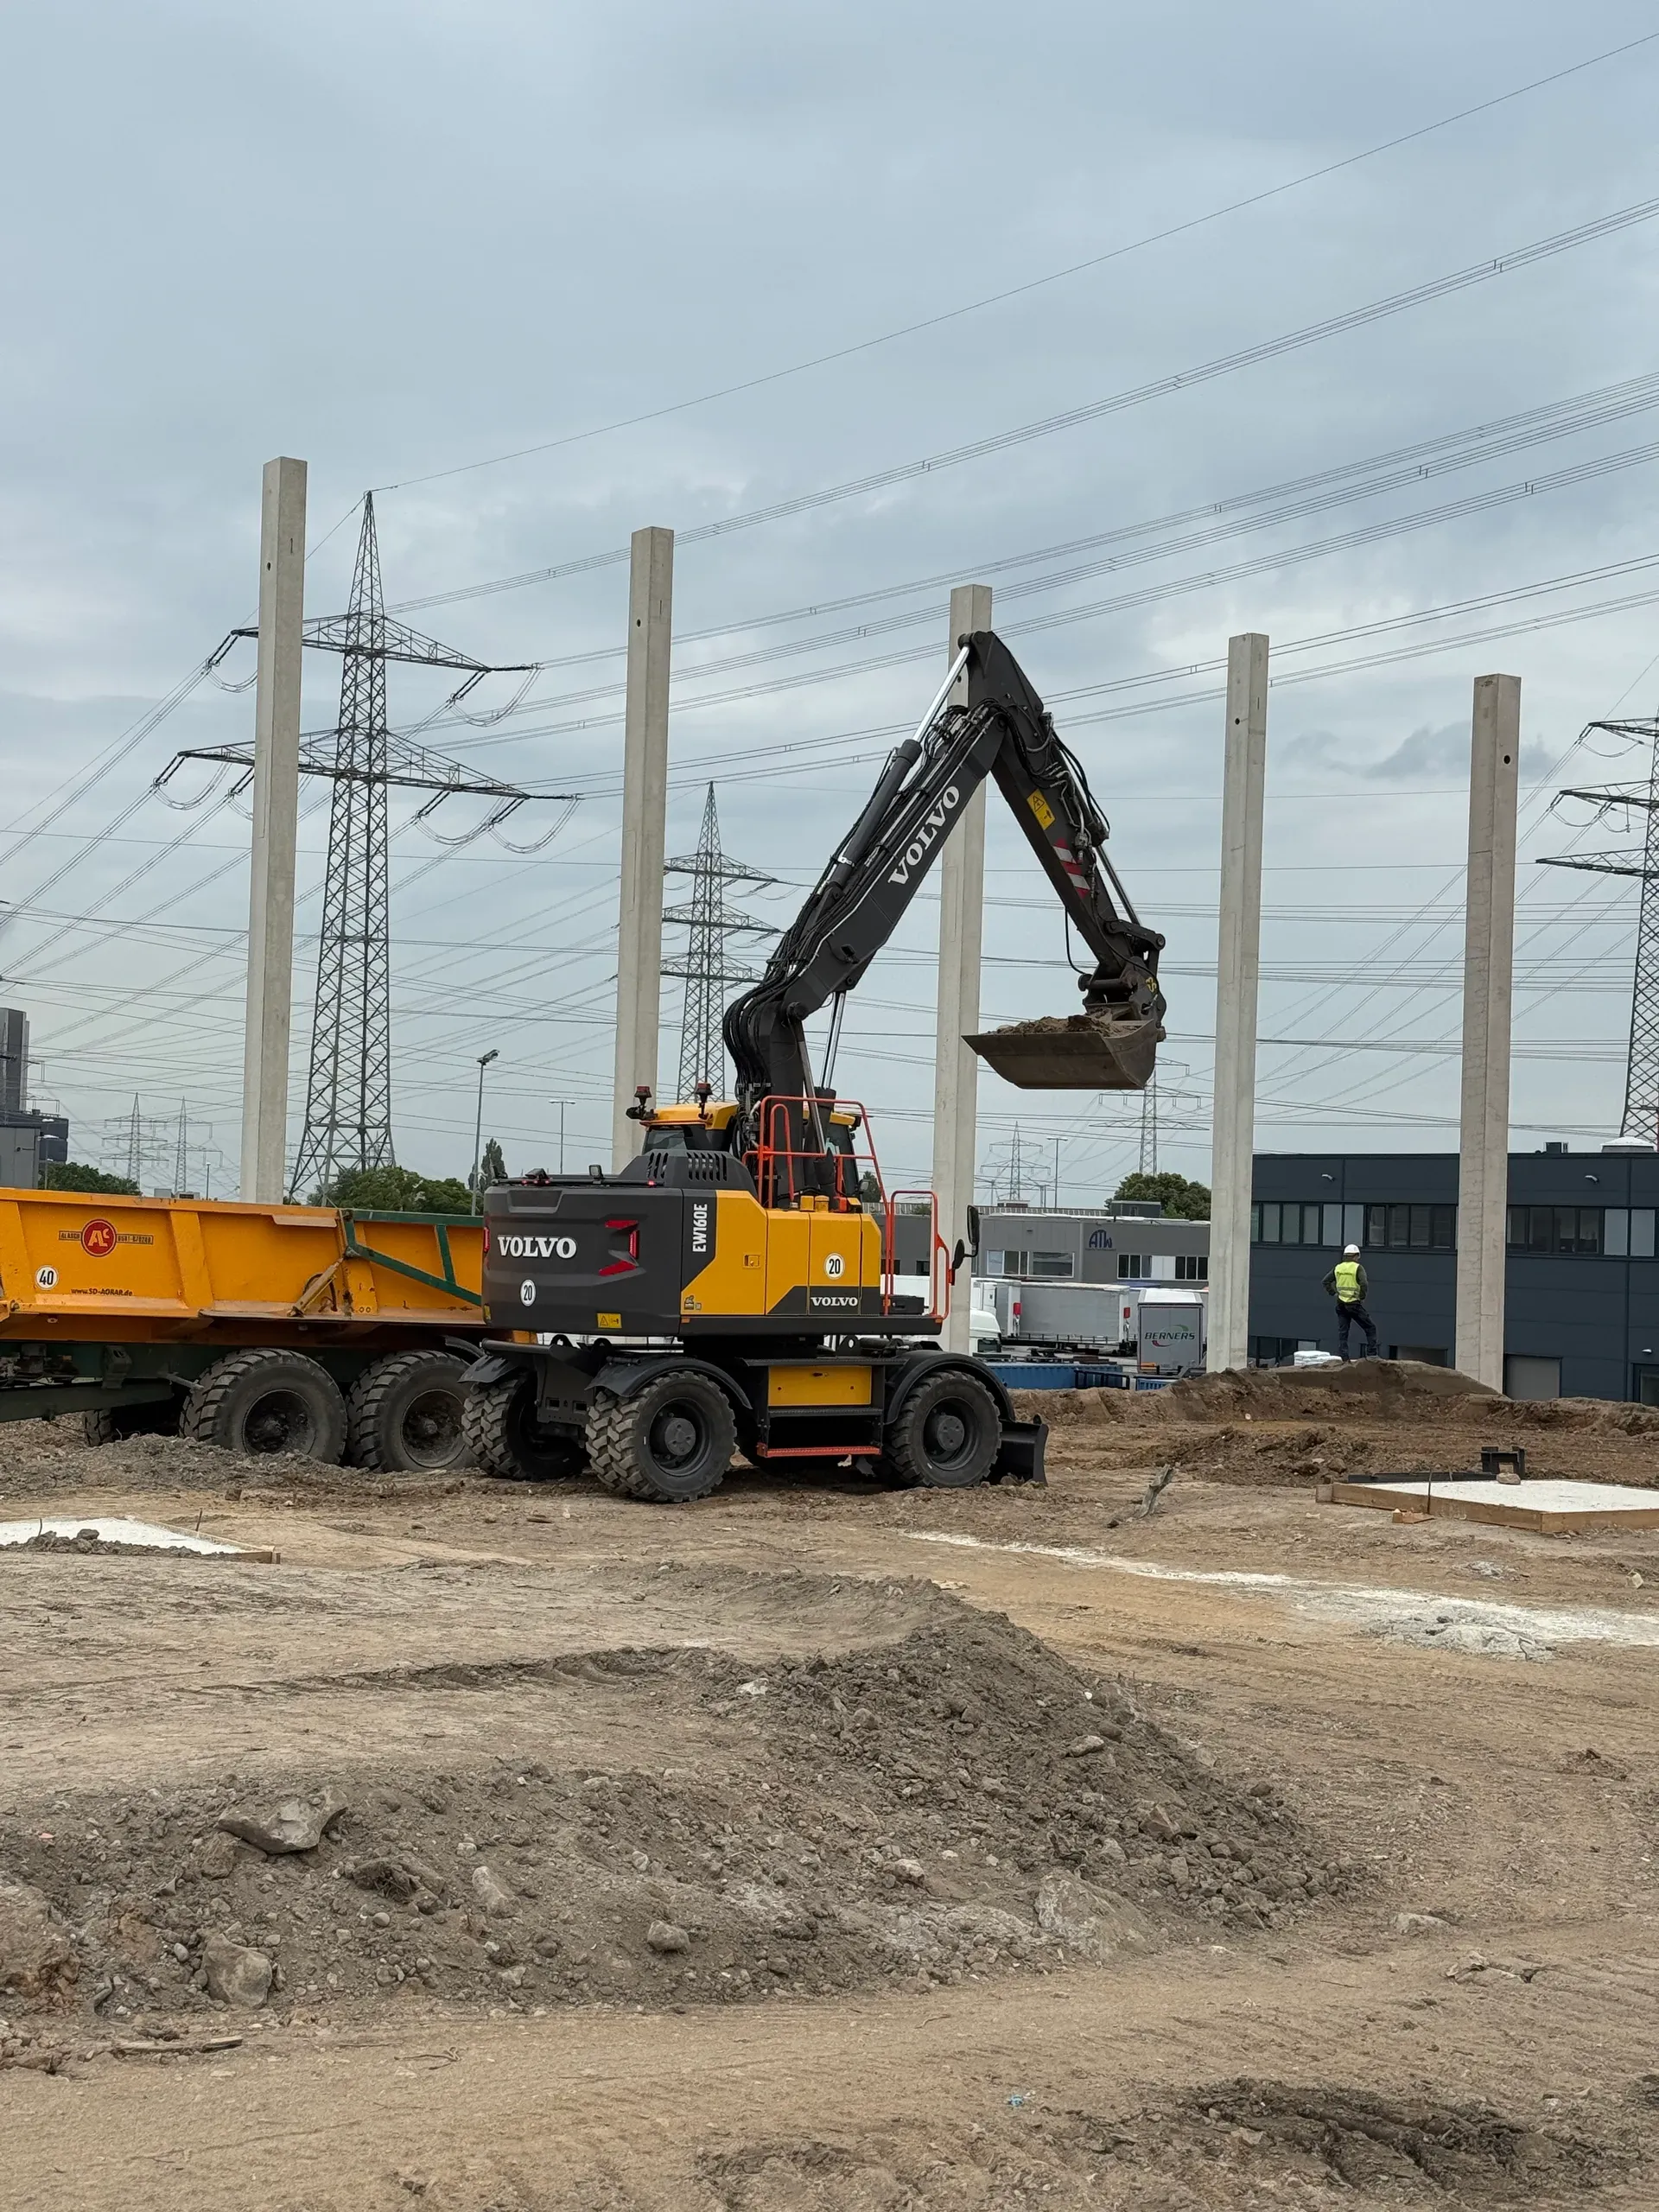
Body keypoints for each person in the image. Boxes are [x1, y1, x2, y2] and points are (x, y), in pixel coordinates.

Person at [1322, 1243, 1380, 1361]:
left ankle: (1344, 1358)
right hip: (1354, 1304)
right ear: (1356, 1256)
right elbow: (1364, 1283)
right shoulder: (1358, 1268)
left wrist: (1333, 1293)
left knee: (1343, 1332)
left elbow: (1325, 1281)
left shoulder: (1338, 1268)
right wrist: (1362, 1297)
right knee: (1370, 1328)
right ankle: (1372, 1355)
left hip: (1341, 1304)